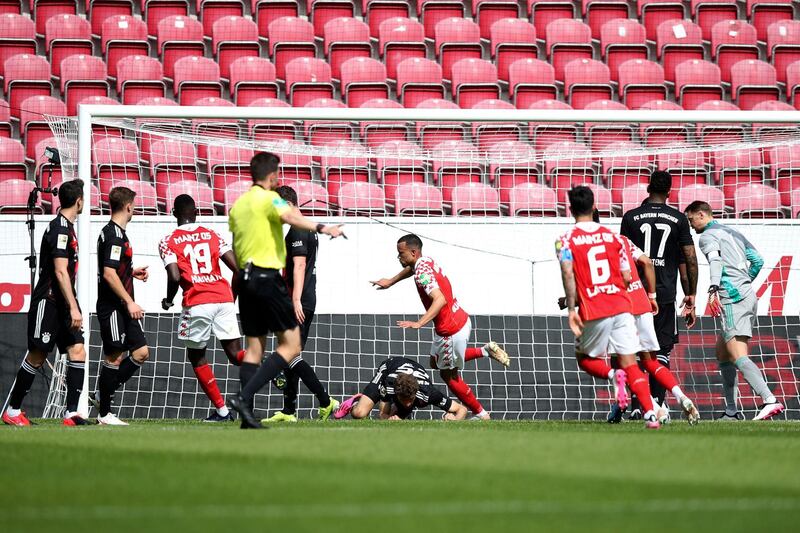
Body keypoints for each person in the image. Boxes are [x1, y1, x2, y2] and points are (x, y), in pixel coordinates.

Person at [226, 152, 344, 429]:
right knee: (292, 346)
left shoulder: (239, 204)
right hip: (268, 279)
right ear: (271, 176)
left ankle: (246, 417)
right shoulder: (270, 198)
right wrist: (324, 227)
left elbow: (235, 243)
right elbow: (291, 215)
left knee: (254, 349)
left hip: (245, 279)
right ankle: (243, 397)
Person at [370, 234, 510, 420]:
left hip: (450, 331)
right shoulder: (424, 261)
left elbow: (440, 299)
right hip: (458, 318)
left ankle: (481, 413)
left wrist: (419, 322)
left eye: (401, 253)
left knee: (449, 376)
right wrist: (390, 281)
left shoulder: (422, 273)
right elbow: (411, 269)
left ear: (413, 252)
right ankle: (484, 351)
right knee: (434, 362)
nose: (399, 257)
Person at [557, 186, 661, 429]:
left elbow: (568, 274)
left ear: (569, 209)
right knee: (631, 362)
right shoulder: (615, 238)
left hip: (595, 308)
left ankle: (615, 376)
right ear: (594, 206)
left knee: (584, 359)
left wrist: (572, 309)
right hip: (623, 306)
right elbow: (626, 276)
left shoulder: (564, 240)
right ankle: (651, 415)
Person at [684, 201, 784, 421]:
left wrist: (714, 287)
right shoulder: (733, 232)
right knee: (723, 353)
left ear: (701, 215)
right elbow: (757, 260)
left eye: (691, 220)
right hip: (748, 296)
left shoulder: (707, 237)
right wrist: (745, 282)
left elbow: (715, 260)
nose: (691, 225)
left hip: (732, 299)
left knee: (738, 354)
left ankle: (769, 400)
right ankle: (731, 411)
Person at [2, 180, 88, 427]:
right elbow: (60, 272)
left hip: (63, 301)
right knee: (38, 355)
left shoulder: (68, 228)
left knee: (77, 350)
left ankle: (72, 413)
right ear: (78, 201)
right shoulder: (60, 229)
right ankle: (13, 409)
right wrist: (74, 307)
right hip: (49, 302)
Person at [158, 194, 243, 422]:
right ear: (196, 212)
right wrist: (230, 297)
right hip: (223, 297)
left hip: (197, 300)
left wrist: (168, 300)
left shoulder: (168, 240)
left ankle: (223, 411)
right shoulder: (213, 234)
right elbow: (238, 268)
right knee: (236, 355)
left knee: (197, 356)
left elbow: (175, 276)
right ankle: (267, 364)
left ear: (174, 213)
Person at [619, 170, 698, 414]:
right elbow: (690, 259)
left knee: (632, 350)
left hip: (635, 294)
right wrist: (691, 295)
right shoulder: (678, 219)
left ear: (648, 188)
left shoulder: (631, 217)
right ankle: (658, 403)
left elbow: (622, 255)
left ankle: (638, 406)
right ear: (669, 191)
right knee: (661, 351)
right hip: (664, 294)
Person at [263, 185, 336, 423]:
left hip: (299, 300)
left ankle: (326, 401)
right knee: (291, 355)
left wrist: (294, 299)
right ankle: (288, 410)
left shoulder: (296, 230)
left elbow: (300, 265)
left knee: (289, 354)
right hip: (304, 298)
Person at [616, 233, 700, 425]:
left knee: (622, 364)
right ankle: (681, 397)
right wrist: (652, 296)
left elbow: (620, 277)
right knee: (651, 362)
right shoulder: (622, 239)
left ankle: (653, 408)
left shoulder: (588, 246)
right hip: (642, 301)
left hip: (620, 308)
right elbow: (647, 262)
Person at [94, 186, 150, 426]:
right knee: (114, 357)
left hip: (122, 305)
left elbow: (114, 268)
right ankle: (105, 413)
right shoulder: (115, 235)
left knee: (141, 353)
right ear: (128, 207)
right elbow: (108, 273)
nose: (134, 210)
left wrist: (130, 271)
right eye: (134, 206)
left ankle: (103, 392)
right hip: (114, 306)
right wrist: (129, 301)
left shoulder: (115, 233)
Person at [333, 357, 468, 421]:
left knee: (400, 415)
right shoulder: (390, 386)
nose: (409, 403)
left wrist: (455, 420)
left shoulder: (429, 393)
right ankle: (356, 403)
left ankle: (400, 412)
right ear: (396, 394)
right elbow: (383, 415)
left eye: (410, 400)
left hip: (415, 372)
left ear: (415, 393)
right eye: (404, 400)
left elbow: (462, 409)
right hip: (389, 368)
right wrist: (388, 418)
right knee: (359, 414)